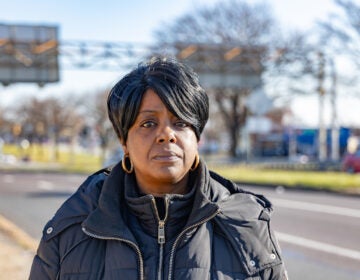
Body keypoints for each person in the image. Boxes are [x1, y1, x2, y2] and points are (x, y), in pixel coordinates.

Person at [29, 56, 288, 280]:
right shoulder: (73, 227)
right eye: (148, 123)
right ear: (123, 140)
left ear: (197, 137)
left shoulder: (248, 226)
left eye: (180, 123)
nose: (167, 135)